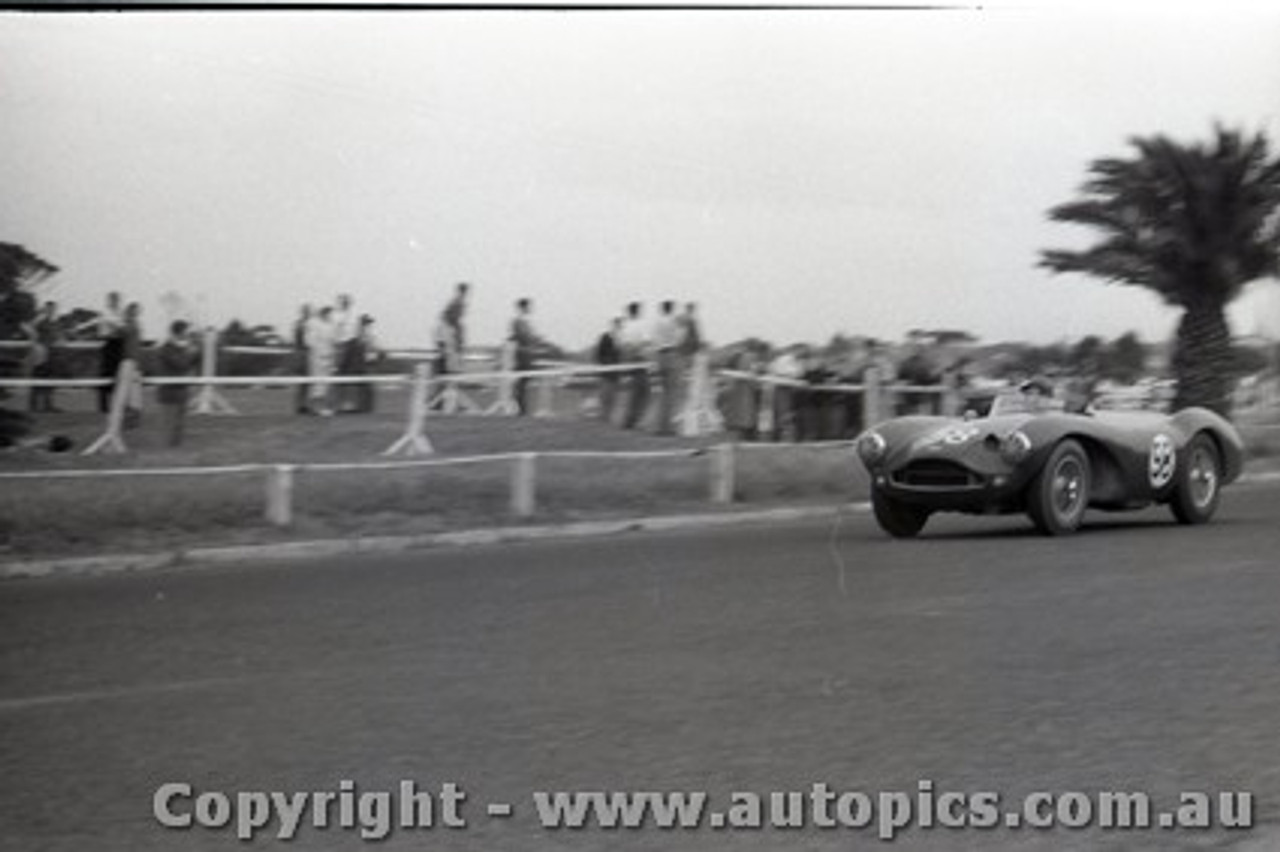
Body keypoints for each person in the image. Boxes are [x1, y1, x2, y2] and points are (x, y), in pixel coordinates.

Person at [155, 320, 199, 447]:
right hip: (169, 392)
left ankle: (175, 450)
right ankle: (166, 452)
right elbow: (181, 364)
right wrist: (192, 352)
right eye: (186, 332)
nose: (188, 336)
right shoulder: (166, 348)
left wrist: (195, 352)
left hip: (181, 391)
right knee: (168, 427)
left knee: (179, 425)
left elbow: (190, 363)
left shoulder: (183, 347)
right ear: (178, 333)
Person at [509, 298, 549, 415]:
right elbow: (522, 337)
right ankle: (521, 408)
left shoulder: (527, 322)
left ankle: (522, 408)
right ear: (523, 308)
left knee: (524, 382)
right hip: (522, 356)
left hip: (528, 355)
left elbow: (529, 338)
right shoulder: (517, 321)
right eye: (528, 307)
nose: (530, 309)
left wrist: (537, 341)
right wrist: (532, 341)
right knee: (522, 382)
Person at [650, 300, 685, 435]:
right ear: (671, 309)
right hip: (671, 354)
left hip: (659, 355)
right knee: (671, 393)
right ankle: (668, 427)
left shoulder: (657, 323)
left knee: (661, 393)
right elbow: (679, 339)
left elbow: (654, 340)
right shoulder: (674, 322)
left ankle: (659, 426)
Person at [617, 302, 650, 429]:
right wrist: (640, 352)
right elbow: (644, 342)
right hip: (638, 359)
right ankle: (632, 421)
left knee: (635, 392)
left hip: (628, 359)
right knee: (643, 392)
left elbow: (623, 344)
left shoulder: (626, 326)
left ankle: (630, 421)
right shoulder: (639, 325)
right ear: (637, 312)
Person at [28, 301, 62, 413]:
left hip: (52, 353)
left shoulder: (55, 321)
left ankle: (48, 405)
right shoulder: (40, 320)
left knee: (50, 379)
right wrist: (35, 345)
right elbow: (30, 330)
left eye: (53, 308)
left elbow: (56, 335)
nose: (51, 310)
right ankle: (33, 406)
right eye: (49, 308)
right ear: (45, 309)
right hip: (41, 353)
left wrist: (60, 340)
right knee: (37, 378)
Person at [95, 292, 126, 413]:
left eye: (117, 299)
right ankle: (103, 406)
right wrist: (120, 328)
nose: (116, 302)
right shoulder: (106, 313)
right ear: (109, 300)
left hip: (119, 344)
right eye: (113, 300)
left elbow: (122, 328)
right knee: (106, 374)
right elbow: (117, 327)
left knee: (118, 374)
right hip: (109, 343)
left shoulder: (120, 313)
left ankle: (116, 404)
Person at [305, 305, 337, 416]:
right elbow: (309, 342)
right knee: (317, 383)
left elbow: (333, 342)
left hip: (328, 357)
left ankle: (322, 408)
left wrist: (332, 357)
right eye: (328, 313)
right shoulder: (313, 324)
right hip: (317, 357)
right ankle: (315, 408)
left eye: (330, 313)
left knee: (326, 384)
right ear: (323, 313)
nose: (330, 315)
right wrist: (319, 354)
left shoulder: (330, 326)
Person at [333, 294, 359, 411]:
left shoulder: (354, 315)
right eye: (344, 302)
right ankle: (336, 403)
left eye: (348, 302)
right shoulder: (336, 315)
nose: (346, 304)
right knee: (338, 375)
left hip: (352, 345)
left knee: (350, 375)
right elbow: (335, 331)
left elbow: (355, 331)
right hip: (341, 345)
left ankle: (348, 403)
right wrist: (338, 347)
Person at [594, 317, 621, 423]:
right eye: (616, 325)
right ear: (612, 326)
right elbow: (599, 354)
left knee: (612, 396)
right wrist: (604, 365)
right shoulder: (605, 337)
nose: (617, 328)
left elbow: (619, 356)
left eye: (619, 326)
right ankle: (603, 415)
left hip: (615, 373)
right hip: (606, 372)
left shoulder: (619, 340)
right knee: (604, 394)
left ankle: (609, 416)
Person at [292, 304, 312, 414]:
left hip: (307, 354)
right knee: (301, 381)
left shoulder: (309, 324)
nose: (308, 314)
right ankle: (299, 405)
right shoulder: (299, 324)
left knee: (307, 382)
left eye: (308, 311)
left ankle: (304, 405)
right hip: (301, 354)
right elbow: (299, 341)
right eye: (306, 311)